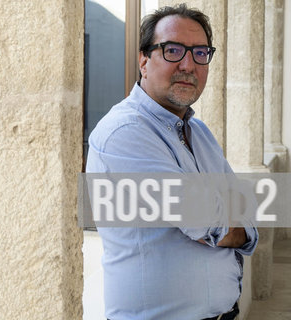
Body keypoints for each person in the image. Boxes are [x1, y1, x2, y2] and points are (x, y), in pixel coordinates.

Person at [86, 4, 258, 320]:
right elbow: (205, 221)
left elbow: (245, 206)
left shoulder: (200, 132)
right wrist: (225, 217)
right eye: (173, 50)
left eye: (200, 53)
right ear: (143, 61)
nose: (188, 65)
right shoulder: (125, 133)